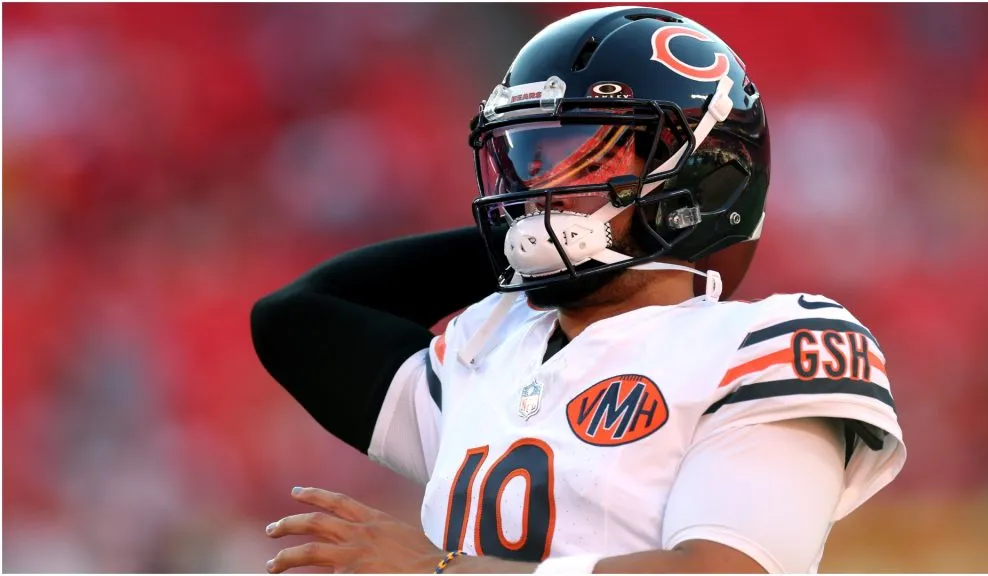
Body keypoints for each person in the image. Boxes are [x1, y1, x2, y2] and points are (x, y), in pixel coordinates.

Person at [250, 6, 906, 574]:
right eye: (523, 159)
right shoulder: (490, 348)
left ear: (699, 183)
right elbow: (298, 318)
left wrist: (444, 570)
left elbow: (723, 572)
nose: (535, 190)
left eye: (587, 159)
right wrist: (530, 238)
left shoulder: (756, 345)